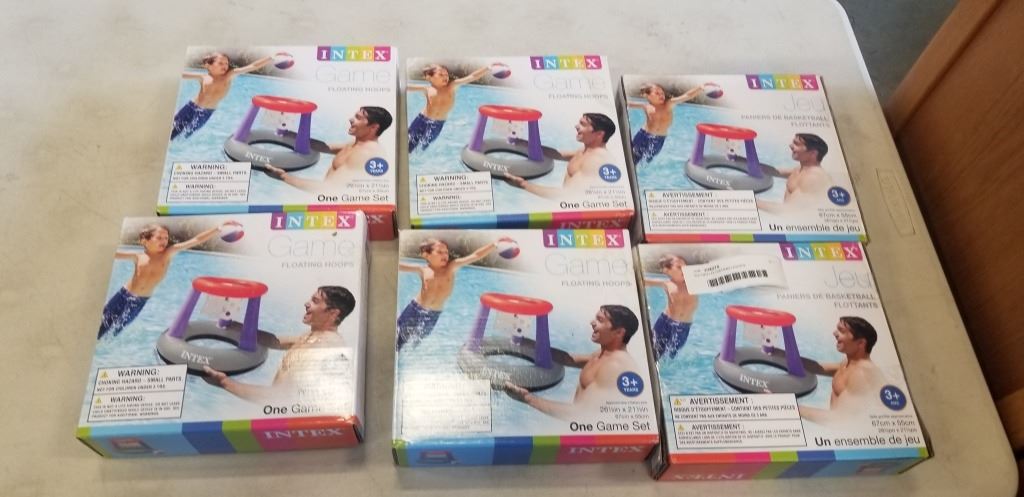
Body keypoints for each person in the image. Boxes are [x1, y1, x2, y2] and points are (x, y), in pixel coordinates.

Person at [203, 286, 356, 403]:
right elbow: (274, 341)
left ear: (333, 313)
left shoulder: (322, 348)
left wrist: (224, 382)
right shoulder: (314, 336)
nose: (306, 304)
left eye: (315, 301)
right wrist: (234, 326)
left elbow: (281, 397)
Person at [505, 305, 641, 420]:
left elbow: (582, 415)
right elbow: (568, 360)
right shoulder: (604, 353)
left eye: (600, 320)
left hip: (588, 436)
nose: (592, 322)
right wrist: (526, 344)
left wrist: (527, 398)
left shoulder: (615, 367)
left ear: (619, 332)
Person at [97, 222, 228, 339]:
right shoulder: (138, 256)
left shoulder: (167, 254)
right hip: (123, 296)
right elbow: (112, 254)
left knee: (116, 330)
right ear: (144, 241)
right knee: (101, 326)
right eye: (159, 238)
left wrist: (218, 228)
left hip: (139, 302)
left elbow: (196, 240)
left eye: (166, 238)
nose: (164, 241)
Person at [395, 237, 503, 350]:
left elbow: (475, 255)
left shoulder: (451, 267)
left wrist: (494, 244)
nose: (445, 255)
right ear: (426, 255)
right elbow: (399, 266)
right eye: (440, 252)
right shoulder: (422, 270)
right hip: (415, 309)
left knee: (418, 340)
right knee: (400, 337)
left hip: (433, 314)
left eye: (446, 252)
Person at [264, 106, 393, 192]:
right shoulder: (357, 144)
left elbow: (330, 190)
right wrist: (287, 133)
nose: (350, 119)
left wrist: (284, 177)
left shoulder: (365, 154)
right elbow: (324, 147)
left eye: (358, 118)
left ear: (374, 127)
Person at [503, 113, 618, 199]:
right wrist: (523, 143)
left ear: (599, 134)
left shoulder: (596, 161)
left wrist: (523, 185)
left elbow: (569, 196)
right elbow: (558, 155)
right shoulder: (586, 150)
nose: (576, 126)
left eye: (583, 124)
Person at [798, 317, 887, 424]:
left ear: (861, 343)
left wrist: (791, 407)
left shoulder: (861, 375)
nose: (834, 333)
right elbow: (821, 368)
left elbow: (840, 420)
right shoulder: (849, 362)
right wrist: (788, 362)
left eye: (842, 331)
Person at [171, 52, 273, 140]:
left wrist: (270, 58)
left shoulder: (228, 76)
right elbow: (182, 75)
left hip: (205, 113)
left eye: (226, 63)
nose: (225, 66)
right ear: (208, 65)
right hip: (191, 107)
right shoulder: (203, 77)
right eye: (220, 63)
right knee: (173, 130)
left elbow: (252, 66)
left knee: (187, 134)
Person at [407, 63, 489, 152]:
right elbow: (407, 87)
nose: (445, 77)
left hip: (437, 124)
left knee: (423, 147)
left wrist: (488, 68)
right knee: (409, 144)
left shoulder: (451, 86)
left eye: (446, 75)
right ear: (429, 77)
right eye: (441, 74)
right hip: (421, 120)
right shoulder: (427, 89)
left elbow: (472, 77)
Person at [627, 83, 702, 165]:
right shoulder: (646, 106)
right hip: (643, 135)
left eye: (662, 93)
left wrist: (700, 88)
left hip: (659, 139)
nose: (661, 95)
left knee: (646, 161)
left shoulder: (668, 104)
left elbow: (687, 95)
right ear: (647, 95)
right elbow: (627, 104)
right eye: (657, 93)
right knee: (632, 157)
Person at [755, 133, 833, 212]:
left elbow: (790, 211)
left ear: (813, 153)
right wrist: (751, 166)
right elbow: (776, 172)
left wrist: (752, 201)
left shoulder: (813, 178)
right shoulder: (802, 169)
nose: (790, 146)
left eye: (796, 144)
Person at [643, 254, 699, 360]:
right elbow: (643, 281)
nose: (684, 270)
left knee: (671, 355)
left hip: (682, 326)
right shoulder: (667, 284)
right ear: (666, 270)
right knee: (653, 351)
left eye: (685, 267)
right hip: (664, 322)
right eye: (679, 267)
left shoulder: (694, 283)